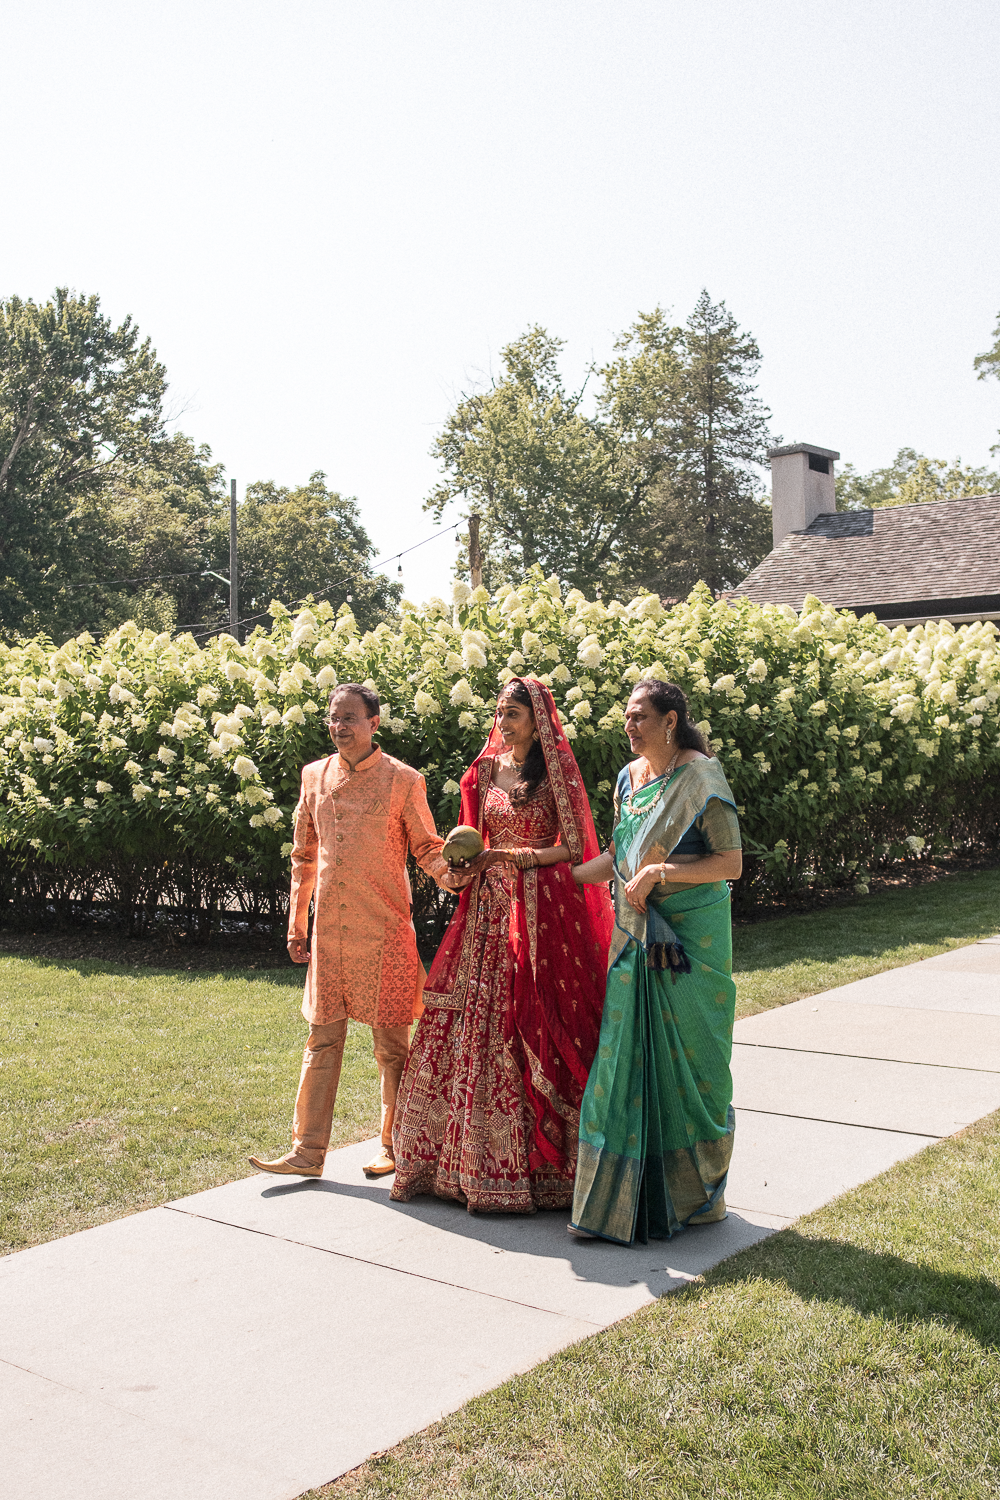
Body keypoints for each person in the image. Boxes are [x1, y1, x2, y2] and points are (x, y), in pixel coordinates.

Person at [390, 677, 613, 1213]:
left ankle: (546, 1173)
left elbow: (577, 846)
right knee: (476, 1023)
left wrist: (514, 860)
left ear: (538, 720)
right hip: (488, 912)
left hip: (541, 912)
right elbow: (471, 835)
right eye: (500, 713)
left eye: (513, 713)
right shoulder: (484, 770)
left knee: (534, 1018)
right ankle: (464, 1164)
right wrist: (465, 863)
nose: (504, 722)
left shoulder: (556, 769)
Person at [250, 683, 453, 1180]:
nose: (340, 727)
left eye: (350, 718)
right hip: (330, 933)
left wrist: (451, 874)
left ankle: (396, 1145)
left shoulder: (403, 780)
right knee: (322, 1038)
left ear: (373, 724)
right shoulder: (313, 776)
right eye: (333, 718)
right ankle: (307, 1151)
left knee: (392, 1046)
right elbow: (303, 855)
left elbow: (427, 846)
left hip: (384, 930)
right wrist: (298, 924)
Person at [569, 679, 742, 1244]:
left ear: (671, 721)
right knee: (621, 1063)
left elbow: (731, 862)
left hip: (689, 943)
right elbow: (617, 858)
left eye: (640, 716)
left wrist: (663, 873)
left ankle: (693, 1198)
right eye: (626, 716)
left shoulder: (702, 778)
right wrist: (554, 876)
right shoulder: (627, 779)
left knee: (695, 1067)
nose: (629, 725)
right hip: (635, 937)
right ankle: (620, 1203)